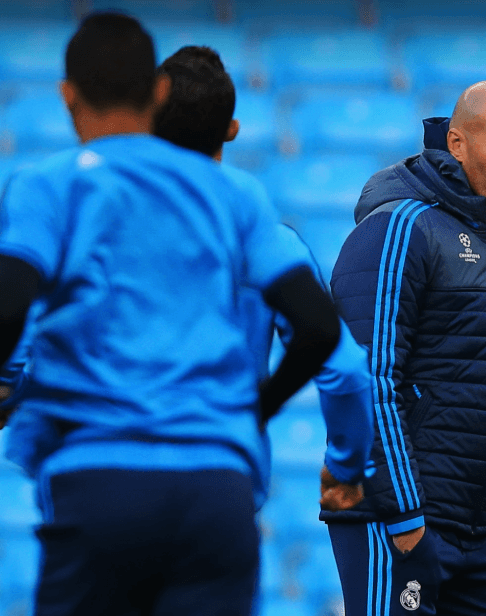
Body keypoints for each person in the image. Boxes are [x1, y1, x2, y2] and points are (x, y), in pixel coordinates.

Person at [0, 14, 348, 616]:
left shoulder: (50, 186)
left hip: (99, 477)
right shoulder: (235, 195)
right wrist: (254, 410)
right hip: (217, 487)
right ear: (157, 91)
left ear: (67, 94)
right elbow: (319, 327)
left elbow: (3, 304)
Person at [325, 80, 486, 616]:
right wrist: (404, 515)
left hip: (484, 531)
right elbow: (370, 379)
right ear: (458, 143)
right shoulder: (399, 228)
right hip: (401, 521)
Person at [151, 44, 373, 512]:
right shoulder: (271, 245)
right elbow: (347, 371)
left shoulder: (102, 232)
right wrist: (346, 466)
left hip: (117, 477)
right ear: (231, 130)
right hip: (223, 474)